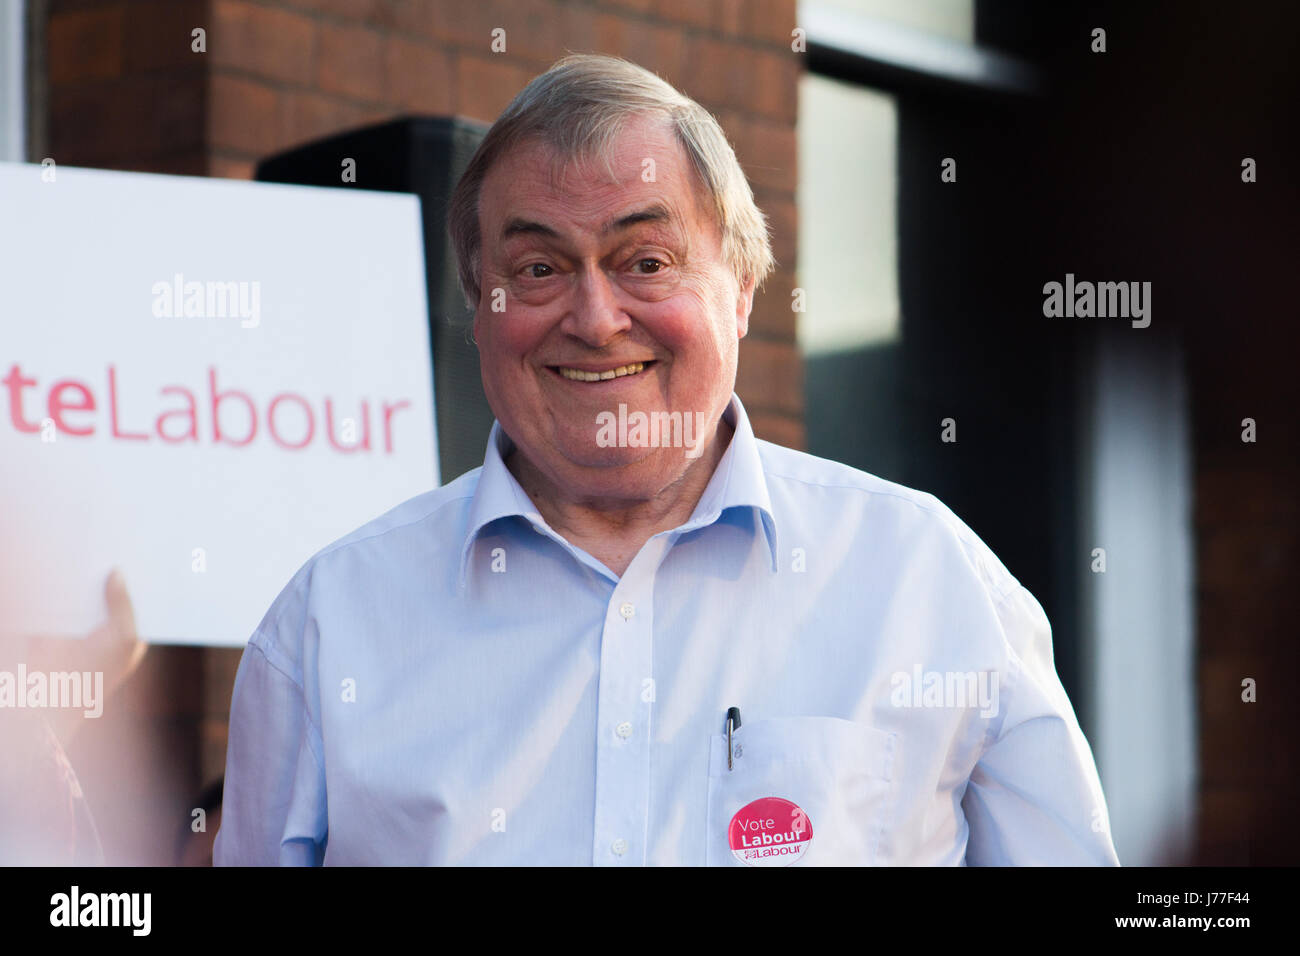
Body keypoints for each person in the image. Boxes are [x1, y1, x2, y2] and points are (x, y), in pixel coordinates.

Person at [215, 54, 1119, 866]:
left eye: (645, 260)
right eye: (537, 268)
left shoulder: (928, 582)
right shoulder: (327, 626)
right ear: (476, 304)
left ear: (743, 291)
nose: (596, 317)